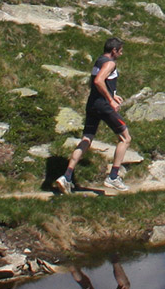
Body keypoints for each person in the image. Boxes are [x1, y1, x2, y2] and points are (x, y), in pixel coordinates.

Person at [54, 37, 129, 192]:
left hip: (92, 104)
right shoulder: (110, 63)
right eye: (120, 51)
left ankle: (67, 177)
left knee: (87, 139)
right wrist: (110, 99)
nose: (121, 54)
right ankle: (113, 177)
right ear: (114, 50)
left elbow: (96, 82)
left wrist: (112, 94)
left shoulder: (99, 60)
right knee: (125, 138)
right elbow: (98, 81)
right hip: (104, 106)